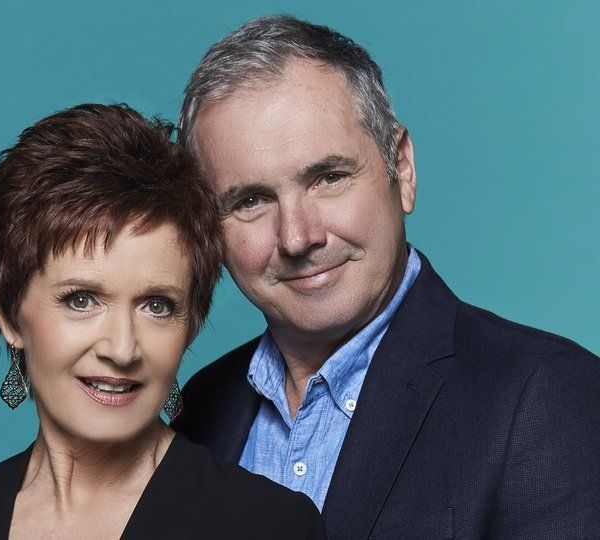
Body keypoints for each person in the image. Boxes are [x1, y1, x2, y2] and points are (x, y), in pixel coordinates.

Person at [172, 15, 600, 539]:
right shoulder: (200, 407)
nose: (298, 237)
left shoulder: (547, 396)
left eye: (328, 178)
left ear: (402, 168)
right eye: (251, 201)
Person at [0, 104, 325, 539]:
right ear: (8, 312)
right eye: (81, 300)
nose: (122, 348)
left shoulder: (268, 526)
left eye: (157, 306)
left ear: (191, 322)